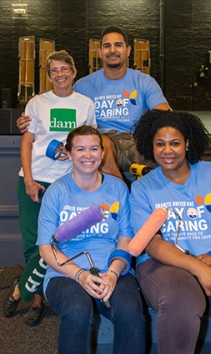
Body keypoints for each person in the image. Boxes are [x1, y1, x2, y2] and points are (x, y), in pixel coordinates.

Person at [129, 109, 211, 354]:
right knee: (181, 301)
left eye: (175, 143)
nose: (167, 150)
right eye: (159, 144)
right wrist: (199, 268)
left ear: (187, 143)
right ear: (150, 147)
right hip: (163, 264)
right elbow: (152, 244)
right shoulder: (143, 189)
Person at [3, 50, 96, 326]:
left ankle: (21, 289)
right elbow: (26, 143)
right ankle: (36, 299)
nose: (60, 74)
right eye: (54, 71)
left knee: (54, 240)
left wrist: (76, 152)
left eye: (64, 69)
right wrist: (29, 179)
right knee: (33, 242)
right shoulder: (37, 103)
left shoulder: (85, 104)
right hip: (34, 178)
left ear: (74, 71)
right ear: (48, 75)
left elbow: (90, 143)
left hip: (66, 183)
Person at [36, 125, 146, 354]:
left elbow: (125, 238)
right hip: (64, 272)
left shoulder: (117, 188)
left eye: (94, 149)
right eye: (80, 149)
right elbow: (46, 248)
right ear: (69, 153)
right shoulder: (56, 192)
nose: (88, 155)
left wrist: (114, 273)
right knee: (78, 310)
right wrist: (80, 274)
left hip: (112, 268)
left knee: (130, 311)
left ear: (103, 153)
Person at [16, 25, 172, 174]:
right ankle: (121, 193)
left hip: (137, 140)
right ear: (100, 52)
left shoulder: (144, 81)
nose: (112, 50)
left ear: (128, 50)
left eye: (118, 45)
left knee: (173, 148)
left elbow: (164, 114)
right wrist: (31, 119)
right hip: (103, 142)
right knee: (99, 143)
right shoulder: (83, 86)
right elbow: (59, 104)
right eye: (107, 46)